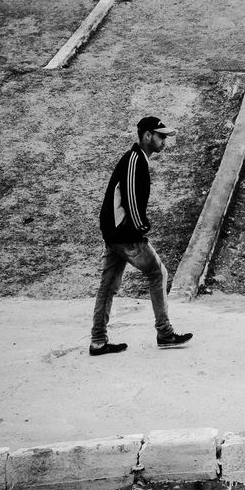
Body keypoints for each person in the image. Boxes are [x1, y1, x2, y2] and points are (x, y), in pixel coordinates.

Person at [91, 116, 193, 356]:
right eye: (161, 136)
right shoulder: (135, 161)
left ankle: (97, 341)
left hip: (115, 234)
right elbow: (130, 200)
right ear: (147, 136)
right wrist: (141, 227)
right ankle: (165, 333)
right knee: (157, 273)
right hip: (125, 235)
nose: (164, 141)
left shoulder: (136, 160)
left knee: (107, 287)